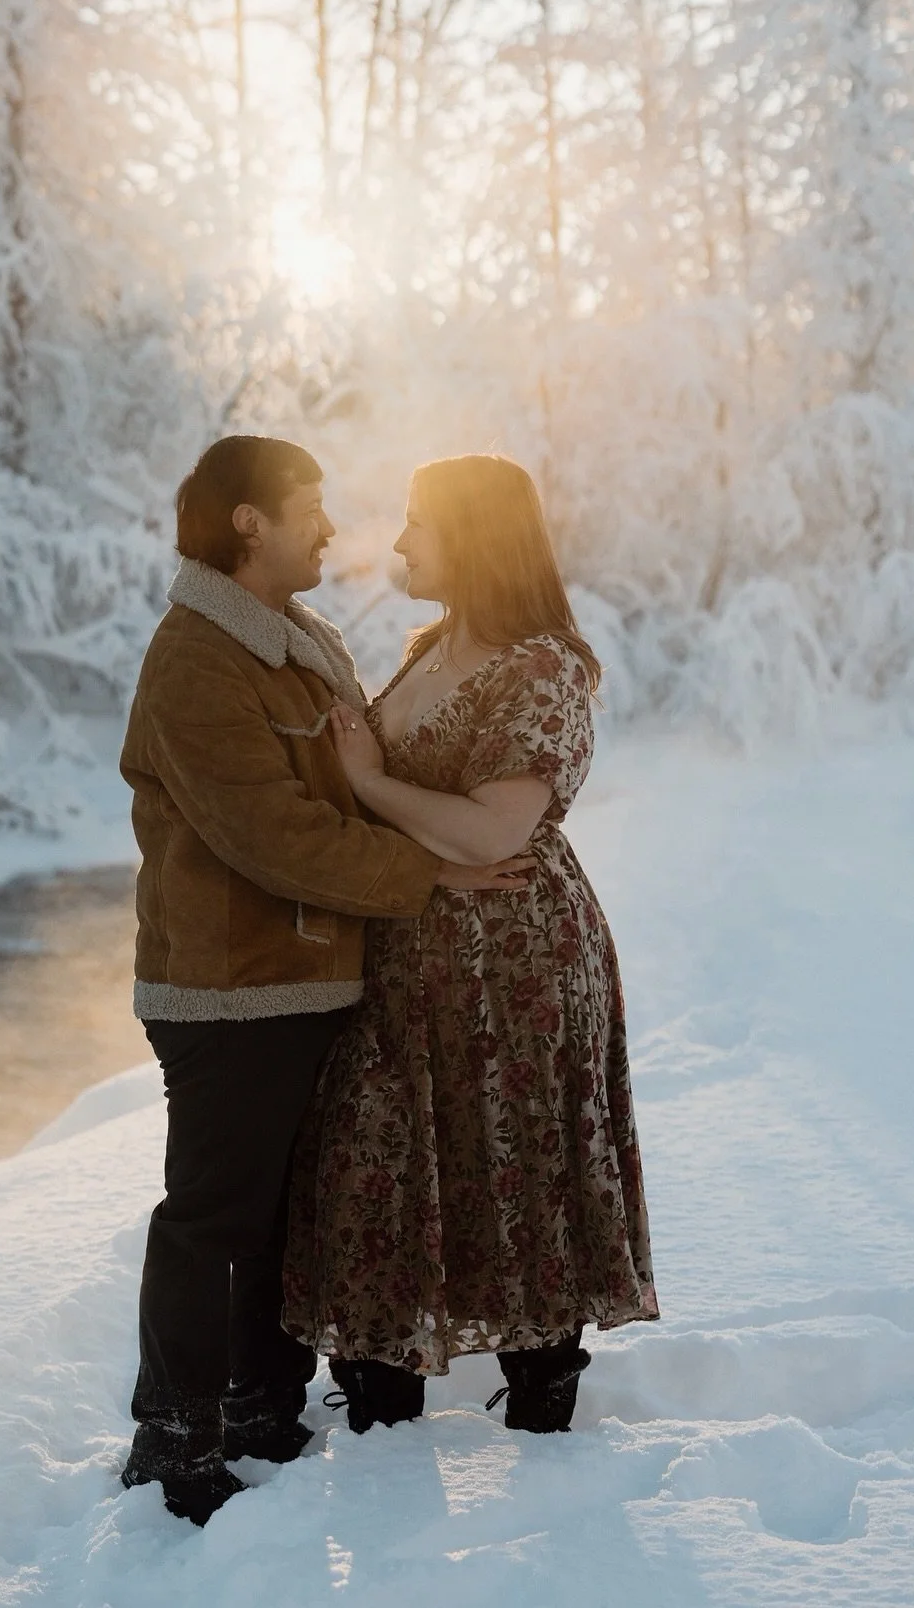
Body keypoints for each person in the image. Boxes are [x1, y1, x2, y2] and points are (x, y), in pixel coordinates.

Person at [118, 435, 531, 1526]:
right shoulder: (198, 659)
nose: (332, 526)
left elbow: (348, 791)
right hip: (230, 988)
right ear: (247, 521)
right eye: (309, 506)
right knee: (215, 1216)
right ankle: (174, 1437)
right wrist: (436, 870)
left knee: (276, 1219)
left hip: (306, 978)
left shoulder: (293, 641)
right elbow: (278, 836)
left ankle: (261, 1407)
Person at [283, 453, 659, 1437]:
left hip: (519, 963)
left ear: (478, 539)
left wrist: (366, 784)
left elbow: (494, 831)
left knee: (518, 1162)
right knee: (383, 1158)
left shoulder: (541, 668)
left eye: (419, 524)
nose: (399, 542)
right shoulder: (428, 646)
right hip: (403, 958)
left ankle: (543, 1409)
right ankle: (378, 1403)